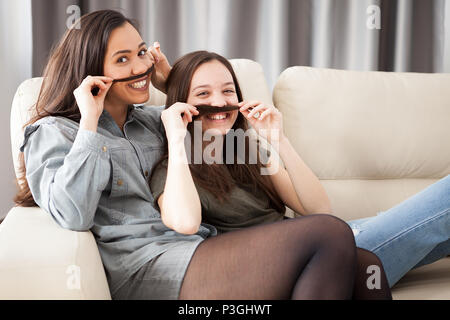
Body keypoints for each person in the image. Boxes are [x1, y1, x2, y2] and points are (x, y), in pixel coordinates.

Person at [14, 10, 391, 300]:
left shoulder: (149, 121)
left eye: (142, 52)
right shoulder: (53, 133)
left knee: (365, 267)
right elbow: (73, 214)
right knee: (329, 232)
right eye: (123, 59)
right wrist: (90, 124)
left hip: (198, 250)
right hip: (142, 269)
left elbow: (203, 106)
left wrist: (164, 77)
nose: (140, 65)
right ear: (91, 71)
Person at [146, 50, 392, 300]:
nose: (219, 103)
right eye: (203, 93)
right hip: (248, 265)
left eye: (228, 91)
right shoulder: (174, 168)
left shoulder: (249, 151)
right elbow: (185, 223)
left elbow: (318, 209)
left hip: (294, 250)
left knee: (368, 265)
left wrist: (279, 139)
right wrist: (177, 138)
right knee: (333, 232)